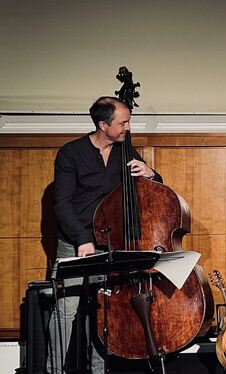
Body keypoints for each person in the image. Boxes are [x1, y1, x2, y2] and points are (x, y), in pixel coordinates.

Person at [48, 96, 162, 374]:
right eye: (123, 122)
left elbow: (154, 190)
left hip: (111, 243)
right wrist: (81, 239)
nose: (128, 128)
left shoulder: (127, 153)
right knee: (65, 311)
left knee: (103, 311)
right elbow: (61, 203)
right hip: (76, 241)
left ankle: (99, 370)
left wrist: (151, 173)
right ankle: (54, 370)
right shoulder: (70, 153)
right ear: (103, 124)